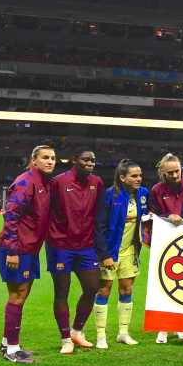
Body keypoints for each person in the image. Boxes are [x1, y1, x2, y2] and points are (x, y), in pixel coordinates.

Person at [0, 145, 56, 363]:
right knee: (17, 295)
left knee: (22, 296)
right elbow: (11, 216)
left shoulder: (45, 183)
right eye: (45, 158)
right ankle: (12, 350)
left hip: (29, 249)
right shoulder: (25, 182)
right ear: (34, 160)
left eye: (52, 158)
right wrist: (12, 251)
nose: (50, 161)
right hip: (17, 249)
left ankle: (7, 344)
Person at [46, 149, 103, 354]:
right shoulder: (58, 182)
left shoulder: (97, 183)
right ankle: (65, 339)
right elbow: (47, 210)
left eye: (93, 160)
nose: (90, 163)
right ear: (74, 159)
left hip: (86, 246)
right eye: (86, 159)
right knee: (62, 291)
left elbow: (98, 215)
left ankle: (77, 331)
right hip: (60, 245)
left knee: (92, 287)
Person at [93, 159, 149, 349]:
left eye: (140, 175)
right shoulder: (109, 195)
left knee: (127, 289)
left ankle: (123, 333)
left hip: (130, 250)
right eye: (134, 176)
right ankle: (101, 336)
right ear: (122, 177)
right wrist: (104, 254)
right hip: (110, 251)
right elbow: (99, 227)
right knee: (104, 290)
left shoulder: (143, 195)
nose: (138, 178)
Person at [150, 152, 183, 343]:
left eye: (177, 171)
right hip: (166, 243)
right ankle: (163, 327)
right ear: (162, 173)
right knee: (165, 284)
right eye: (170, 173)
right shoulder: (156, 190)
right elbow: (151, 214)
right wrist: (166, 218)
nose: (175, 175)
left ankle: (181, 325)